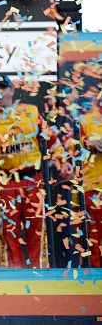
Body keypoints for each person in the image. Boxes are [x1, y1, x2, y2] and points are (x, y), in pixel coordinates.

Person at [0, 76, 72, 269]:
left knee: (37, 232)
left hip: (33, 180)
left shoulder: (30, 112)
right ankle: (14, 278)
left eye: (2, 88)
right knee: (9, 234)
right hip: (5, 182)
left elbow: (52, 141)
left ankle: (39, 275)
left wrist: (63, 162)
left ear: (11, 91)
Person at [71, 99, 102, 267]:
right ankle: (92, 286)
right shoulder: (85, 120)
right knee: (91, 243)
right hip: (92, 190)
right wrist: (86, 143)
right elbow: (69, 147)